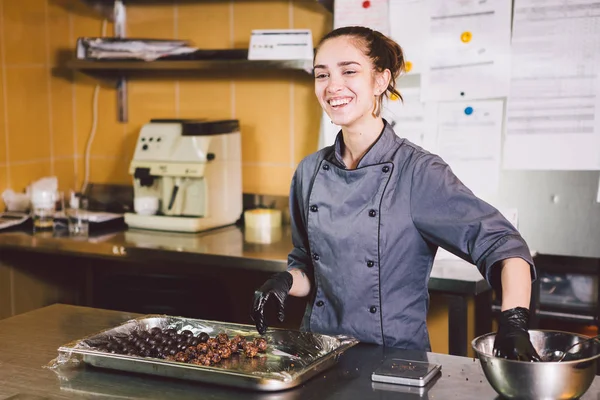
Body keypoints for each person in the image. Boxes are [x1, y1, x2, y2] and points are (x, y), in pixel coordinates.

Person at [251, 26, 540, 361]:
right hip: (317, 355)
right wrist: (284, 281)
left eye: (349, 71)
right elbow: (309, 266)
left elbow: (505, 245)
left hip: (393, 363)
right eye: (322, 74)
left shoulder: (417, 172)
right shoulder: (309, 171)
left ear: (380, 81)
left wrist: (513, 323)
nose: (332, 86)